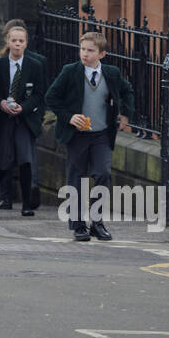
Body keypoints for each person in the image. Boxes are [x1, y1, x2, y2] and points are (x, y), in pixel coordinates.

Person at [44, 31, 135, 242]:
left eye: (90, 51)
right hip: (77, 135)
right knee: (76, 177)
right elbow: (51, 97)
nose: (85, 54)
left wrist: (125, 114)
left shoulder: (111, 73)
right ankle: (78, 225)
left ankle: (97, 222)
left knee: (103, 174)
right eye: (83, 49)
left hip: (102, 134)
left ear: (101, 54)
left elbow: (127, 90)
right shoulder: (70, 71)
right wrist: (68, 117)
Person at [0, 20, 47, 216]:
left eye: (21, 41)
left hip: (23, 120)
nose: (18, 44)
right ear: (7, 42)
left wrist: (24, 107)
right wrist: (1, 103)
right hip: (3, 120)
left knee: (25, 160)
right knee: (4, 161)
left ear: (26, 43)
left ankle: (27, 205)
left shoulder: (34, 65)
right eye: (14, 40)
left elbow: (39, 93)